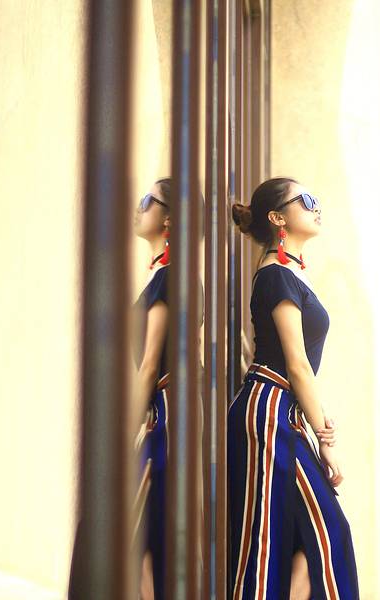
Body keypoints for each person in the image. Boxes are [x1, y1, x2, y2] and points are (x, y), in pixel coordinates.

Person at [228, 177, 360, 599]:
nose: (315, 206)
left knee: (317, 537)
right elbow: (297, 365)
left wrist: (316, 417)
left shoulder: (288, 274)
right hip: (268, 413)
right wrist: (325, 440)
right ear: (277, 218)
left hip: (284, 412)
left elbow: (302, 373)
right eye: (305, 200)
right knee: (268, 542)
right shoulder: (275, 276)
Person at [131, 177, 204, 599]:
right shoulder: (166, 275)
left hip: (167, 409)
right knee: (146, 529)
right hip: (166, 409)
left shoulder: (170, 277)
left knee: (140, 523)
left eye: (147, 200)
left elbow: (148, 366)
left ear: (170, 219)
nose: (137, 208)